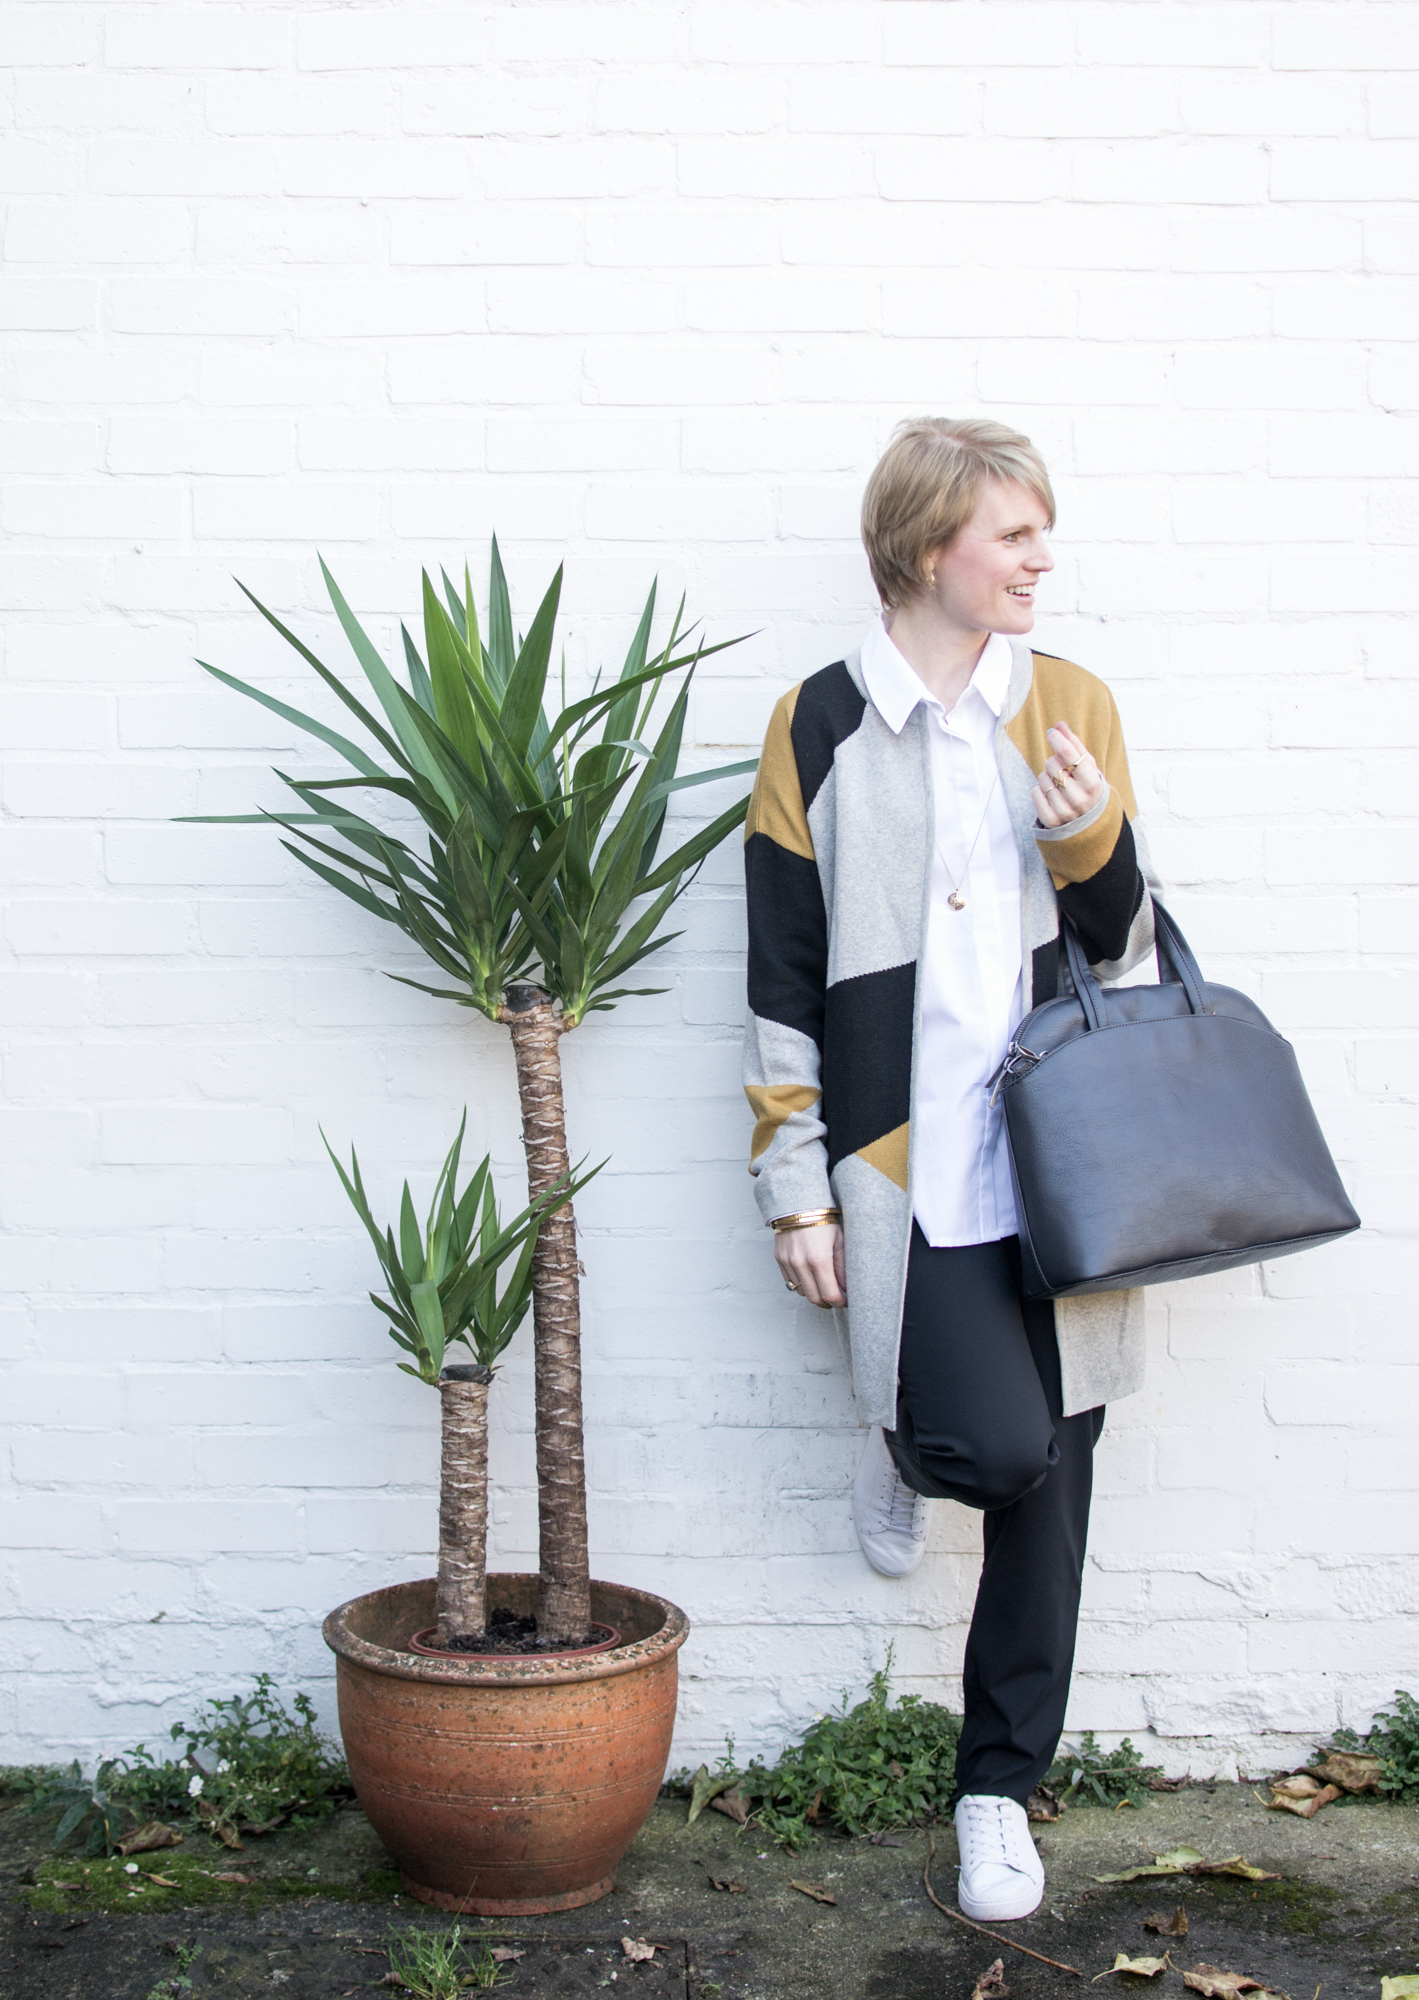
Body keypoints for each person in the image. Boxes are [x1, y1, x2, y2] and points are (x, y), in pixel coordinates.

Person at [742, 417, 1161, 1924]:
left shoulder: (1072, 706)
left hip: (1069, 1168)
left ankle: (999, 1790)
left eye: (1045, 532)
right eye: (1014, 535)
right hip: (903, 1175)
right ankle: (903, 1417)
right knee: (1001, 1452)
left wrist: (1091, 836)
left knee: (1059, 1488)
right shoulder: (816, 728)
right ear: (932, 550)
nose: (1044, 558)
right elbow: (783, 976)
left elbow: (1126, 950)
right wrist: (793, 1182)